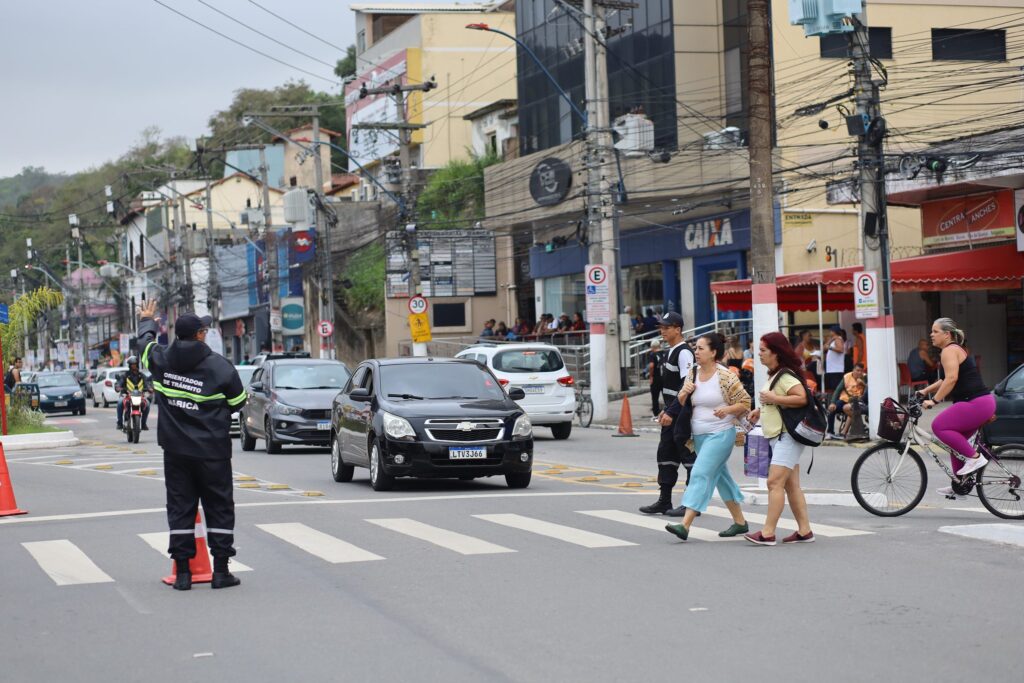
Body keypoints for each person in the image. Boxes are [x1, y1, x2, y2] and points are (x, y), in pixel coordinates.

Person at [137, 301, 248, 590]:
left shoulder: (161, 359)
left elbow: (144, 345)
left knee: (180, 507)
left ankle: (184, 574)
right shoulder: (220, 366)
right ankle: (221, 571)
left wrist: (147, 320)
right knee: (219, 507)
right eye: (204, 330)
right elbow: (238, 402)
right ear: (199, 335)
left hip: (176, 452)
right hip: (213, 452)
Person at [664, 333, 752, 541]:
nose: (696, 352)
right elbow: (683, 401)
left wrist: (727, 410)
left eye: (701, 348)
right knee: (721, 479)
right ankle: (740, 522)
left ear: (713, 353)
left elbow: (745, 402)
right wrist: (684, 393)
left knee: (700, 473)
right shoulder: (693, 373)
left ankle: (685, 525)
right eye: (695, 348)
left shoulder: (725, 376)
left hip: (721, 434)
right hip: (698, 436)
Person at [744, 332, 815, 545]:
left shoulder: (785, 376)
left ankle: (768, 533)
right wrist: (760, 410)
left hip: (787, 436)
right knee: (791, 485)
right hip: (779, 435)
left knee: (774, 482)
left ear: (776, 352)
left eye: (763, 350)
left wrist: (773, 398)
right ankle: (805, 531)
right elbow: (776, 401)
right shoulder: (775, 375)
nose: (759, 354)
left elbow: (802, 397)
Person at [917, 317, 994, 490]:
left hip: (975, 402)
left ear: (947, 334)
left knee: (939, 426)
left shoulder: (949, 350)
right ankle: (960, 485)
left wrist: (934, 401)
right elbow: (945, 379)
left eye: (935, 331)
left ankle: (975, 458)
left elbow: (951, 379)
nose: (931, 335)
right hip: (980, 403)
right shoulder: (953, 349)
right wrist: (925, 391)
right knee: (955, 444)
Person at [639, 311, 696, 517]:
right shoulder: (670, 351)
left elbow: (687, 385)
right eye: (661, 327)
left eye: (666, 327)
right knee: (666, 455)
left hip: (682, 415)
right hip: (671, 412)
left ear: (678, 329)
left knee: (688, 459)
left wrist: (672, 411)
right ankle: (664, 501)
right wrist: (666, 409)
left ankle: (691, 503)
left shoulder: (684, 352)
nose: (662, 331)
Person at [827, 363, 866, 439]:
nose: (859, 373)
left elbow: (870, 389)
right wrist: (832, 403)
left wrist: (863, 383)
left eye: (861, 371)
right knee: (832, 409)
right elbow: (837, 390)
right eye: (857, 370)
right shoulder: (847, 377)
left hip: (858, 401)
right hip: (845, 399)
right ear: (853, 370)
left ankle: (846, 431)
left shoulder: (865, 377)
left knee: (851, 408)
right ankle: (830, 432)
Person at [115, 356, 152, 431]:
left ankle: (143, 423)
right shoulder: (125, 375)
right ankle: (119, 423)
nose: (134, 366)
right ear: (129, 365)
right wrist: (118, 387)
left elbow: (147, 383)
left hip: (139, 396)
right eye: (132, 364)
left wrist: (149, 388)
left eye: (135, 364)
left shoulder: (141, 375)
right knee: (120, 402)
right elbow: (120, 382)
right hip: (127, 395)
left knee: (147, 404)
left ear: (137, 364)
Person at [824, 326, 846, 393]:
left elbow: (841, 349)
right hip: (833, 368)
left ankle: (836, 398)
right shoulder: (834, 339)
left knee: (836, 387)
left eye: (831, 331)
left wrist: (830, 347)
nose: (830, 332)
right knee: (833, 386)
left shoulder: (838, 339)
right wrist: (831, 340)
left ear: (834, 332)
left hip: (836, 368)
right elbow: (824, 347)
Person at [647, 340, 664, 420]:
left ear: (652, 347)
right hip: (665, 378)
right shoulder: (665, 353)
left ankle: (656, 414)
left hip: (656, 378)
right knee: (667, 397)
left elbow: (651, 366)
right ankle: (669, 413)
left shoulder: (653, 355)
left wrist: (651, 376)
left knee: (655, 398)